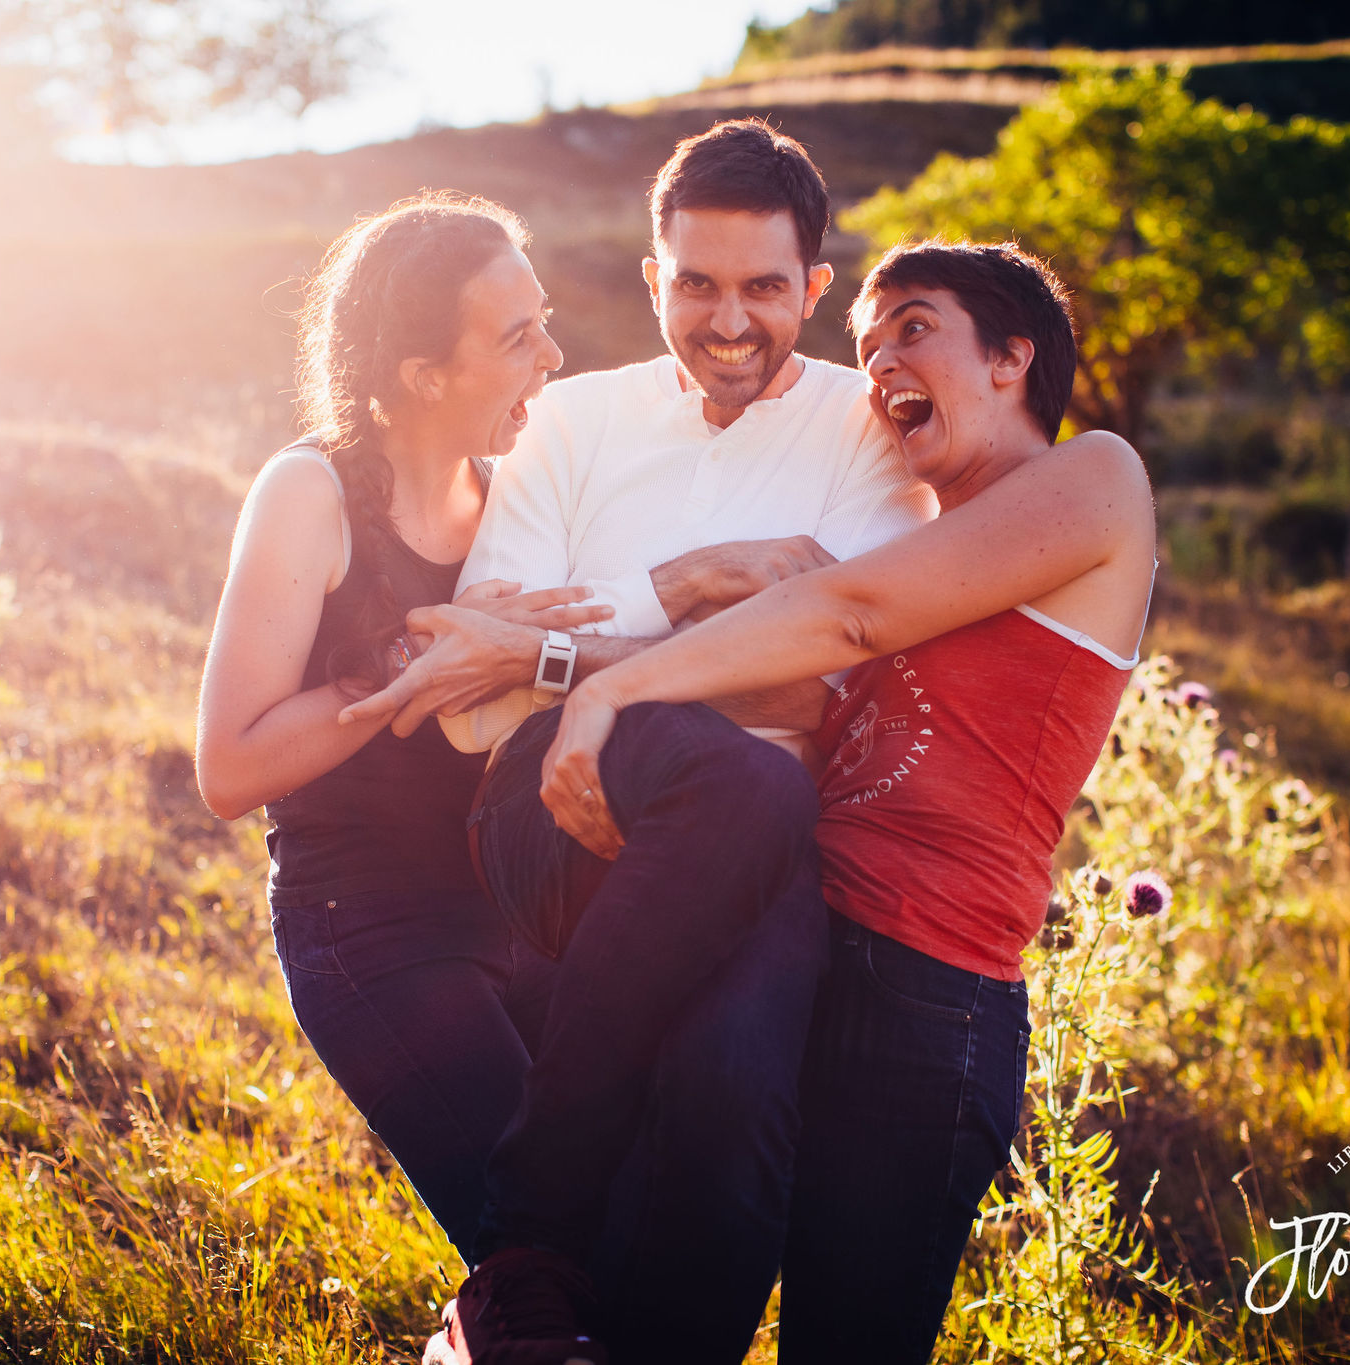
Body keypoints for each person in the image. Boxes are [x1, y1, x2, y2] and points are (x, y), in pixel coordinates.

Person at [344, 120, 935, 1364]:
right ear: (654, 279)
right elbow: (471, 700)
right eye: (698, 286)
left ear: (813, 289)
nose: (729, 322)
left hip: (759, 827)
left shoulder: (868, 436)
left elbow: (834, 681)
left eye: (764, 288)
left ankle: (534, 1269)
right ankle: (540, 1223)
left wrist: (564, 659)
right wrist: (697, 593)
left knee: (730, 1091)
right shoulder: (567, 422)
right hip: (552, 817)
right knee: (751, 776)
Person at [536, 239, 1159, 1365]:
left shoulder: (1094, 479)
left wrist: (618, 685)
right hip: (798, 942)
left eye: (911, 330)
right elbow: (797, 678)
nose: (878, 367)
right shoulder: (922, 544)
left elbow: (850, 615)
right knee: (671, 1308)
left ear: (1013, 355)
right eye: (866, 350)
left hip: (928, 990)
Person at [193, 192, 604, 1258]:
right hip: (371, 928)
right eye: (516, 339)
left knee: (629, 1227)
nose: (551, 356)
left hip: (522, 913)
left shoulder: (524, 491)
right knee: (545, 1250)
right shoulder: (310, 495)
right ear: (421, 376)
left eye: (543, 319)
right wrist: (411, 659)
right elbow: (230, 768)